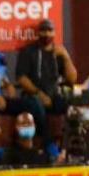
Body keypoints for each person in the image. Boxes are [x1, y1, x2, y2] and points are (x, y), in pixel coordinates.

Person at [16, 19, 78, 147]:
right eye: (43, 31)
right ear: (38, 33)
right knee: (37, 107)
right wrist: (39, 94)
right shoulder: (28, 51)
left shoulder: (59, 52)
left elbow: (72, 79)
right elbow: (21, 78)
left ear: (54, 33)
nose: (46, 34)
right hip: (33, 95)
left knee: (71, 107)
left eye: (50, 31)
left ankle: (71, 145)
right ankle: (48, 146)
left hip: (54, 95)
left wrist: (66, 57)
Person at [60, 91, 89, 164]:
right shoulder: (71, 127)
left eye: (87, 107)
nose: (83, 110)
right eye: (81, 106)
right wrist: (63, 152)